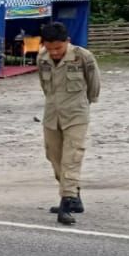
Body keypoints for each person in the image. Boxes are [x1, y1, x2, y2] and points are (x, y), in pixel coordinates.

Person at [36, 22, 100, 225]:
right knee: (54, 157)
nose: (54, 52)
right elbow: (45, 87)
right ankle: (75, 197)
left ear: (68, 42)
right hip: (52, 115)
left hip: (76, 115)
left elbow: (94, 86)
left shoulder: (83, 57)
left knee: (71, 158)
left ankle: (65, 204)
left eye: (58, 48)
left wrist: (82, 105)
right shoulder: (42, 58)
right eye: (50, 48)